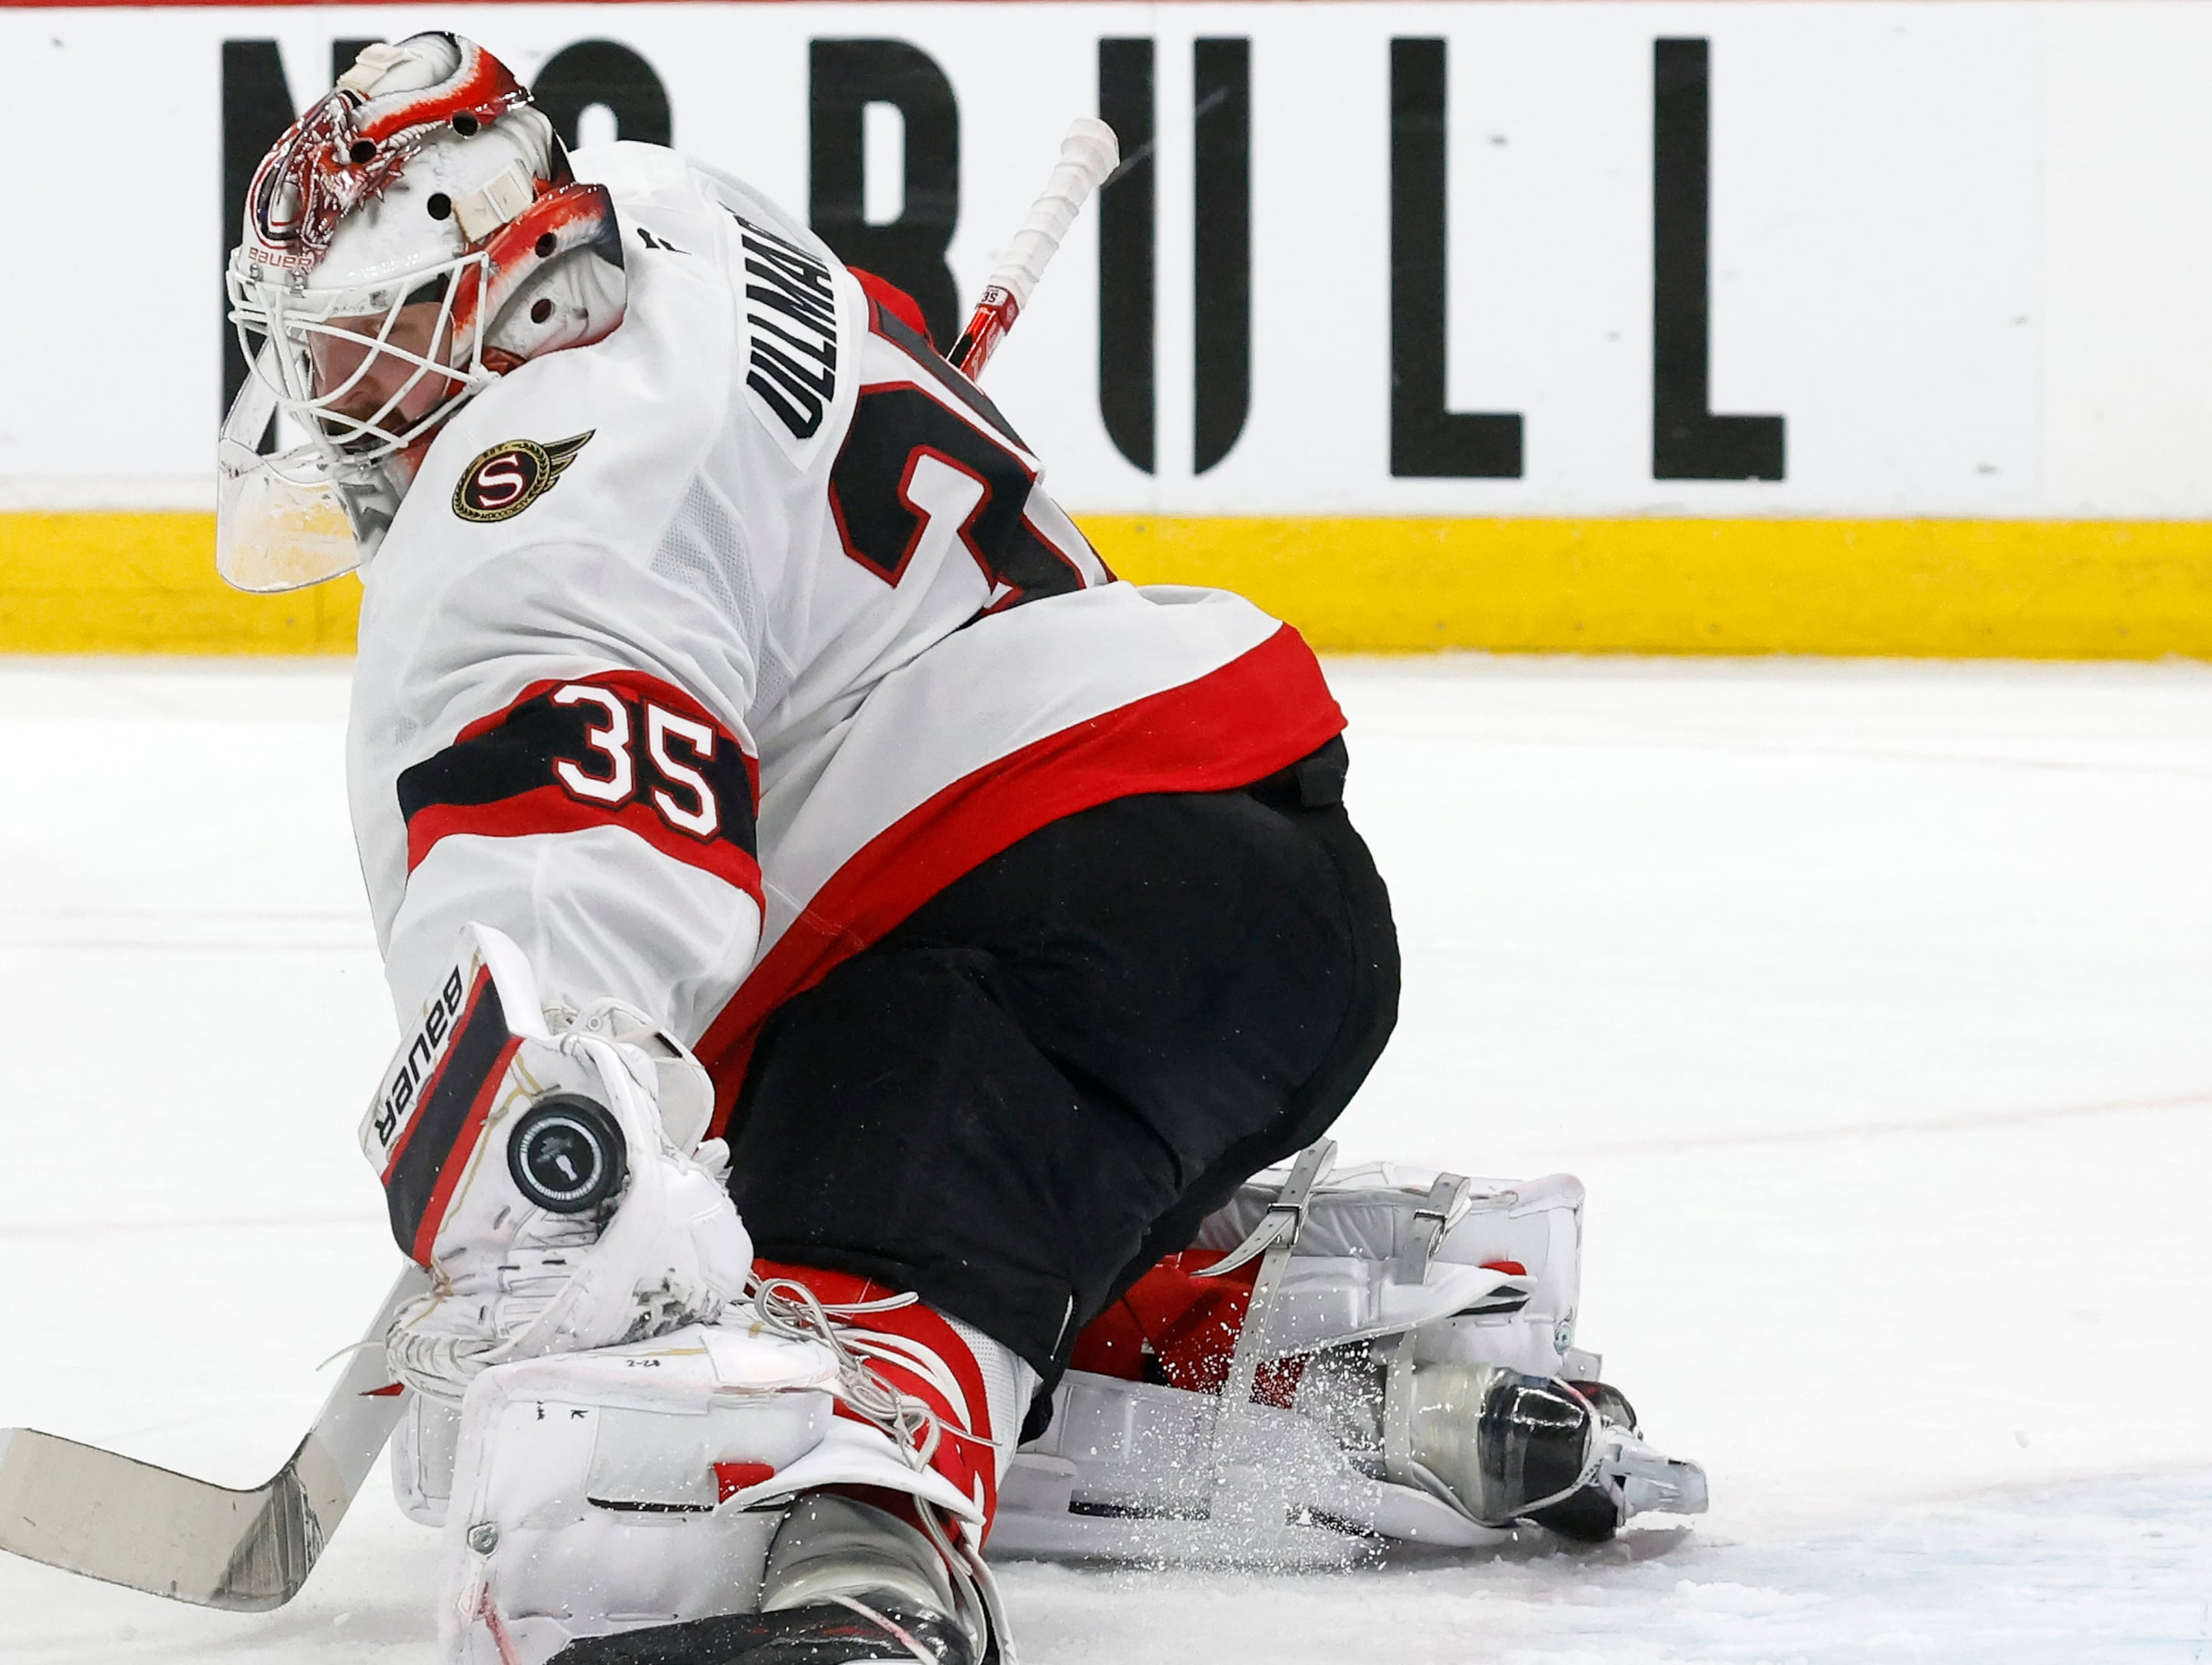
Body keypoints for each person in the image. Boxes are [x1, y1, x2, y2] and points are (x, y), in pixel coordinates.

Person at [217, 34, 1419, 1665]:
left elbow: (569, 858)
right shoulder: (671, 213)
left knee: (780, 1293)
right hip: (1255, 891)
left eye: (366, 340)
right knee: (901, 1139)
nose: (337, 392)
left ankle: (855, 1556)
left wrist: (544, 1151)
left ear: (503, 295)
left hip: (1054, 908)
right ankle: (1258, 1344)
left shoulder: (534, 505)